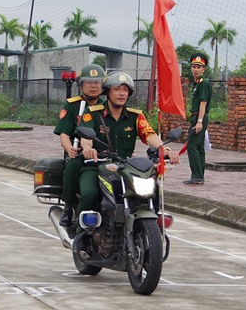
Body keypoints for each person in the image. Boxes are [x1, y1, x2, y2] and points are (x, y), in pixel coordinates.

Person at [75, 71, 180, 217]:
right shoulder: (93, 113)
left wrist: (165, 149)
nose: (121, 94)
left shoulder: (135, 116)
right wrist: (88, 148)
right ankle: (80, 234)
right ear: (107, 92)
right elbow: (86, 138)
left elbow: (149, 134)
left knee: (153, 192)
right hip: (96, 165)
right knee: (89, 194)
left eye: (125, 90)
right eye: (117, 89)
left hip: (125, 167)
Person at [54, 64, 107, 227]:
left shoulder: (106, 106)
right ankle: (68, 208)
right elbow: (64, 133)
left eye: (97, 82)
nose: (93, 86)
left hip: (101, 153)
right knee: (73, 165)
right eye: (88, 82)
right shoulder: (72, 105)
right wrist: (69, 148)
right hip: (77, 151)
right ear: (81, 85)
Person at [185, 52, 212, 185]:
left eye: (199, 67)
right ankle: (199, 175)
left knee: (192, 146)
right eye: (194, 66)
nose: (196, 69)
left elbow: (203, 103)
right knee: (199, 147)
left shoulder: (203, 83)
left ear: (204, 69)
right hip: (196, 118)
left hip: (199, 118)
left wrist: (200, 121)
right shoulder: (197, 83)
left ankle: (196, 175)